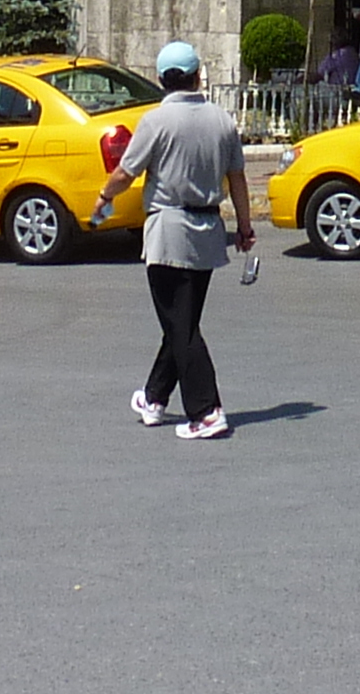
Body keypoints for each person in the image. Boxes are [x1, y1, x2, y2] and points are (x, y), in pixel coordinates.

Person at [90, 40, 257, 441]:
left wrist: (103, 199)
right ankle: (154, 398)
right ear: (198, 75)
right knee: (181, 321)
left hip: (168, 231)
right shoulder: (222, 120)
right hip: (207, 233)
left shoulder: (156, 121)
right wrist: (246, 229)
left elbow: (127, 172)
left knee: (180, 326)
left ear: (163, 80)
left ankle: (206, 410)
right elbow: (237, 179)